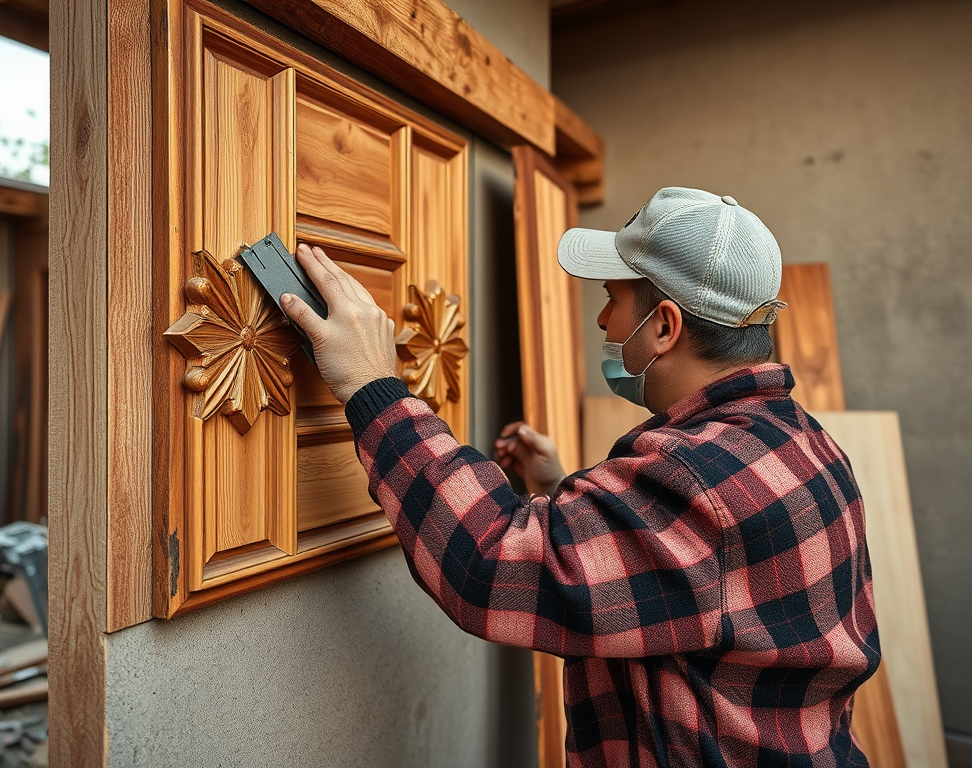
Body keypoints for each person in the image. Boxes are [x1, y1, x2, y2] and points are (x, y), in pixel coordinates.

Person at [280, 187, 879, 768]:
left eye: (613, 297)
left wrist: (373, 389)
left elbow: (486, 563)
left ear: (665, 327)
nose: (601, 318)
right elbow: (690, 578)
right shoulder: (801, 440)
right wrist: (562, 489)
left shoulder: (698, 481)